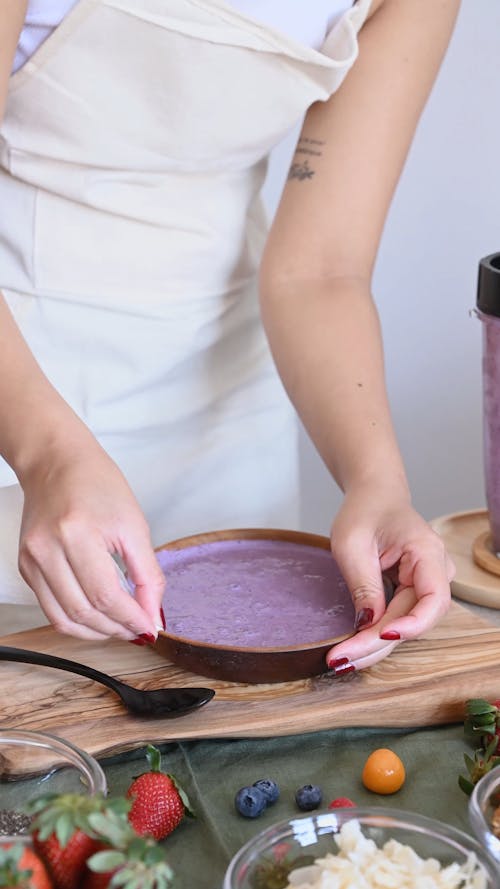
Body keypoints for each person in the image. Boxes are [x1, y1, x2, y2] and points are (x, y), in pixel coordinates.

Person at [0, 0, 457, 672]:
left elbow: (320, 272)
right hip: (20, 375)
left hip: (224, 398)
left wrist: (377, 480)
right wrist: (43, 453)